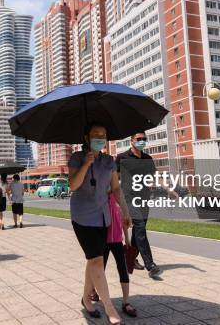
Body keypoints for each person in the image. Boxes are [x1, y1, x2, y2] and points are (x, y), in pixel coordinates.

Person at [69, 122, 131, 325]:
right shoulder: (77, 158)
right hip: (82, 217)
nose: (100, 138)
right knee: (96, 260)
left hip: (103, 216)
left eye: (103, 135)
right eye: (95, 134)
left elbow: (116, 188)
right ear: (86, 138)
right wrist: (86, 164)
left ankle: (86, 299)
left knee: (92, 259)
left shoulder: (109, 161)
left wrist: (125, 210)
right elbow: (73, 185)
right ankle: (109, 307)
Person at [116, 132, 161, 278]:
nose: (141, 141)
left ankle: (130, 258)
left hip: (144, 198)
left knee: (138, 231)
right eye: (138, 139)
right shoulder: (122, 157)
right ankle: (150, 264)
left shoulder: (148, 158)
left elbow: (154, 177)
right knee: (140, 227)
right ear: (132, 141)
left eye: (144, 139)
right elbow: (114, 178)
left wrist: (164, 187)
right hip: (128, 199)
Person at [90, 190, 137, 318]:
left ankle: (126, 302)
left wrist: (126, 239)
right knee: (100, 268)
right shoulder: (100, 197)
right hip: (103, 241)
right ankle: (94, 291)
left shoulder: (119, 198)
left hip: (117, 241)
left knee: (123, 268)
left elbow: (124, 221)